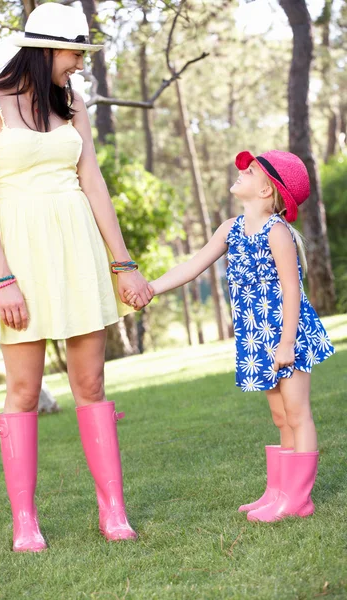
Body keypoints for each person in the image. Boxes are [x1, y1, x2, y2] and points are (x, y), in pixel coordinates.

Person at [0, 2, 152, 552]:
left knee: (91, 384)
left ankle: (112, 512)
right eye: (74, 54)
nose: (79, 65)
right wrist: (1, 278)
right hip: (17, 257)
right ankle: (26, 522)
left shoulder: (72, 102)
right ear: (46, 49)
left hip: (78, 250)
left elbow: (92, 181)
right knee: (22, 390)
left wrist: (123, 263)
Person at [126, 149, 335, 522]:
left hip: (287, 331)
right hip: (257, 338)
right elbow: (193, 265)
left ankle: (299, 499)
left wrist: (287, 342)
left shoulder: (278, 233)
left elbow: (292, 289)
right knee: (279, 415)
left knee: (297, 412)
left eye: (251, 170)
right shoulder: (230, 228)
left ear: (267, 192)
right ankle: (278, 492)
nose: (241, 171)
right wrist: (152, 288)